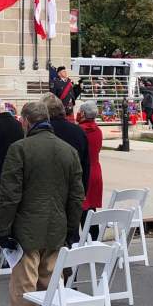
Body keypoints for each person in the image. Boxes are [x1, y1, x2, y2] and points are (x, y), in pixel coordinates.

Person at [0, 99, 84, 306]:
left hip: (27, 228)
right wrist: (71, 227)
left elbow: (10, 194)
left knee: (24, 288)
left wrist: (4, 229)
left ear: (25, 121)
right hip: (56, 227)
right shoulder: (68, 151)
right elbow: (76, 195)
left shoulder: (20, 149)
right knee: (53, 285)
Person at [42, 94, 90, 225]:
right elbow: (86, 164)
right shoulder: (78, 131)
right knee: (72, 232)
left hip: (51, 193)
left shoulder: (44, 132)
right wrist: (83, 190)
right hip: (74, 188)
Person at [76, 100, 105, 213]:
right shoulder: (98, 130)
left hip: (83, 171)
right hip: (95, 170)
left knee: (81, 210)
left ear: (83, 114)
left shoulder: (79, 131)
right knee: (92, 210)